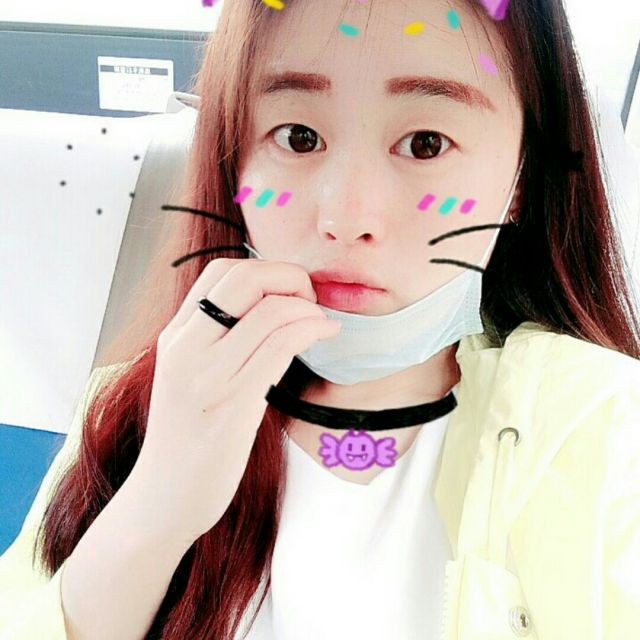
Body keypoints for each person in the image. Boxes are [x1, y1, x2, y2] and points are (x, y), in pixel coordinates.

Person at [1, 0, 640, 638]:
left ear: (523, 177)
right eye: (298, 137)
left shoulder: (606, 428)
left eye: (425, 144)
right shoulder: (136, 403)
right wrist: (156, 506)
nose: (345, 217)